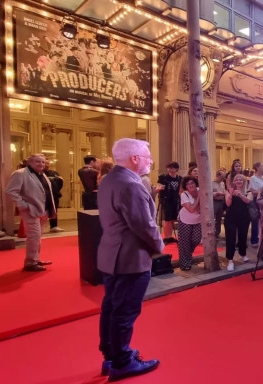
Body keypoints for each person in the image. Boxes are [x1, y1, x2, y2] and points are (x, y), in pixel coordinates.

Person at [96, 139, 162, 381]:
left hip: (111, 254)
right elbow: (144, 226)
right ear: (134, 158)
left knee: (112, 307)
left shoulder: (110, 179)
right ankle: (122, 362)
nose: (151, 161)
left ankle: (112, 356)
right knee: (124, 311)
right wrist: (159, 246)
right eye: (147, 156)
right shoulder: (131, 185)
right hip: (130, 258)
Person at [5, 153, 55, 271]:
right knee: (33, 236)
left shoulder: (42, 174)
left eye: (43, 162)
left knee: (37, 236)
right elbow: (10, 191)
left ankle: (35, 259)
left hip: (43, 211)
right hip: (30, 210)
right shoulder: (20, 173)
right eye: (38, 161)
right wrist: (23, 205)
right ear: (30, 162)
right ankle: (30, 263)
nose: (41, 164)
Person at [224, 174, 252, 271]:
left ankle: (243, 254)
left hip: (244, 216)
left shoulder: (248, 191)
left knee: (243, 236)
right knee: (230, 238)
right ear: (234, 182)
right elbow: (228, 203)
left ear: (244, 182)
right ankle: (230, 260)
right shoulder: (228, 191)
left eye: (241, 180)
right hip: (231, 217)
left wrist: (240, 194)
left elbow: (248, 201)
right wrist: (231, 194)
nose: (238, 181)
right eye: (236, 180)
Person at [177, 176, 201, 271]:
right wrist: (198, 197)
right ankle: (185, 264)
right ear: (185, 186)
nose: (190, 185)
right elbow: (191, 209)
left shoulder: (200, 190)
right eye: (188, 184)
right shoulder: (184, 195)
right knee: (185, 242)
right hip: (185, 219)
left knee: (196, 239)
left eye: (192, 183)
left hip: (198, 220)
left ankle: (187, 255)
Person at [156, 162, 181, 244]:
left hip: (176, 200)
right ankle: (167, 237)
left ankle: (170, 236)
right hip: (167, 200)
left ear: (176, 169)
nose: (170, 169)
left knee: (173, 218)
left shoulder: (180, 178)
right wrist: (159, 188)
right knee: (167, 218)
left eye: (172, 167)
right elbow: (159, 187)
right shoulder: (163, 178)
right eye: (169, 167)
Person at [248, 162, 263, 247]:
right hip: (256, 200)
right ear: (257, 167)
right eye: (262, 166)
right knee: (255, 220)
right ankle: (254, 240)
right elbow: (253, 192)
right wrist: (261, 191)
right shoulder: (253, 178)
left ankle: (261, 238)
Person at [43, 161, 65, 232]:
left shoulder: (54, 173)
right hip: (44, 195)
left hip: (54, 195)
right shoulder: (39, 173)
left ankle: (54, 226)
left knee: (54, 211)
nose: (47, 165)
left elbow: (60, 182)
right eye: (45, 163)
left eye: (48, 163)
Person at [211, 171, 226, 237]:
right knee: (212, 217)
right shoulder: (211, 183)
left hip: (221, 201)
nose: (222, 179)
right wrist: (217, 194)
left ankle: (217, 232)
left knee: (219, 218)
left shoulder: (222, 183)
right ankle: (212, 231)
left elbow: (224, 191)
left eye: (223, 178)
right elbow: (209, 194)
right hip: (214, 201)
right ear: (217, 176)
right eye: (221, 178)